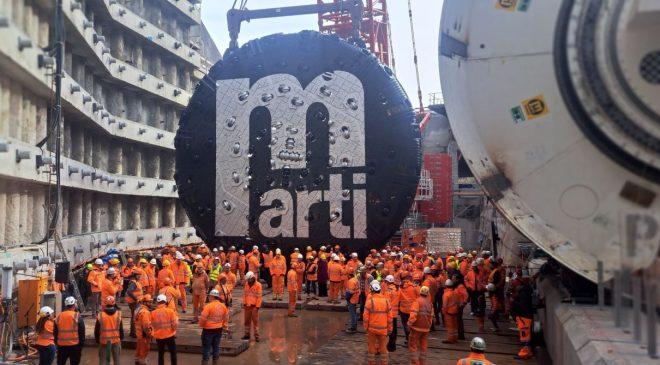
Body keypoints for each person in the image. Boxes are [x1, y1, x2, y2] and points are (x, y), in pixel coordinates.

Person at [363, 281, 392, 365]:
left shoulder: (369, 302)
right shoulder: (386, 302)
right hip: (383, 329)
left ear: (372, 291)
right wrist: (390, 329)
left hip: (372, 329)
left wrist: (366, 328)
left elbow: (365, 317)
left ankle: (371, 363)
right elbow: (390, 318)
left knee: (371, 347)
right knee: (383, 347)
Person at [199, 289, 229, 365]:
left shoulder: (208, 306)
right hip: (219, 329)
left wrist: (201, 325)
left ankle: (205, 362)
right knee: (216, 346)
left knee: (206, 347)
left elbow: (203, 318)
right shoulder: (223, 306)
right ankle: (215, 362)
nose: (208, 297)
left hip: (208, 330)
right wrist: (225, 327)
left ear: (212, 296)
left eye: (209, 296)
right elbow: (226, 317)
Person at [54, 297, 84, 365]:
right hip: (74, 345)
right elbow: (82, 332)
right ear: (74, 305)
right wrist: (81, 344)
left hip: (61, 346)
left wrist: (57, 343)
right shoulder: (77, 316)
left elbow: (55, 332)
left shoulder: (59, 316)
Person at [408, 286, 433, 365]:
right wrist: (429, 325)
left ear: (420, 292)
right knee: (423, 346)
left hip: (416, 328)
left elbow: (413, 315)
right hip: (426, 328)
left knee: (413, 346)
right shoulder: (430, 303)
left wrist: (409, 323)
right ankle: (422, 363)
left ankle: (415, 363)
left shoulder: (417, 301)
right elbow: (431, 316)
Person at [511, 276, 535, 360]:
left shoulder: (524, 293)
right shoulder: (527, 291)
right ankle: (528, 352)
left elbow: (522, 305)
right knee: (527, 336)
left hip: (524, 317)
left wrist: (514, 301)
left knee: (525, 337)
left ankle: (524, 353)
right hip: (526, 316)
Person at [94, 296, 123, 365]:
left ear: (105, 303)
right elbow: (121, 329)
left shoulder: (100, 315)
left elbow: (96, 330)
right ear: (114, 303)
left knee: (104, 361)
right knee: (117, 360)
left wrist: (97, 340)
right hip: (115, 341)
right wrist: (121, 338)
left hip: (104, 341)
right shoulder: (118, 314)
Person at [151, 294, 179, 365]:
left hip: (159, 337)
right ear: (165, 301)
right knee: (173, 353)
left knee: (161, 354)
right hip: (170, 336)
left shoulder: (153, 313)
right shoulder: (170, 311)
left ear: (157, 302)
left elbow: (151, 326)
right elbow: (175, 324)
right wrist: (174, 331)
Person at [398, 271, 418, 344]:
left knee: (405, 325)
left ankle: (408, 339)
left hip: (403, 310)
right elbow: (418, 297)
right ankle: (413, 339)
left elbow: (398, 298)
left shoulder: (400, 288)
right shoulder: (415, 287)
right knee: (413, 325)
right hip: (413, 310)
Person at [242, 271, 263, 341]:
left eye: (249, 280)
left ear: (252, 278)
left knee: (255, 322)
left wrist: (257, 306)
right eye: (247, 280)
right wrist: (244, 303)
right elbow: (245, 294)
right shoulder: (246, 284)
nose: (248, 281)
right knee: (246, 321)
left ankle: (257, 336)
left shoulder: (258, 285)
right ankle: (247, 335)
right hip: (247, 306)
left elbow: (259, 297)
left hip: (254, 306)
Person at [134, 294, 153, 365]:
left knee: (139, 348)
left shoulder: (138, 310)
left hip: (139, 333)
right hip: (144, 335)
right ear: (144, 302)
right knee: (144, 350)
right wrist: (150, 334)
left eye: (151, 302)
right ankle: (142, 362)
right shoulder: (145, 312)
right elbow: (146, 326)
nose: (151, 303)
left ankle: (137, 360)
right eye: (149, 302)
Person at [383, 275, 399, 352]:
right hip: (395, 313)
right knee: (394, 330)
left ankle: (390, 346)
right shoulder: (396, 289)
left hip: (389, 313)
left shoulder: (389, 291)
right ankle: (393, 346)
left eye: (386, 281)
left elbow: (387, 302)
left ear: (388, 282)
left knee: (390, 330)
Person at [442, 279, 460, 344]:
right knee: (455, 326)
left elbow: (445, 305)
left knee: (450, 326)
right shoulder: (456, 293)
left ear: (446, 286)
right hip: (455, 311)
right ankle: (455, 338)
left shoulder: (446, 294)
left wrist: (444, 312)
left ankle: (450, 339)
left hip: (448, 312)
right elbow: (458, 302)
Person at [345, 268, 360, 333]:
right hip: (355, 298)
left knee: (352, 314)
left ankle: (353, 328)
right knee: (354, 313)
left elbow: (350, 292)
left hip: (352, 299)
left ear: (349, 274)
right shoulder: (356, 279)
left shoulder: (351, 281)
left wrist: (347, 298)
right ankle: (354, 326)